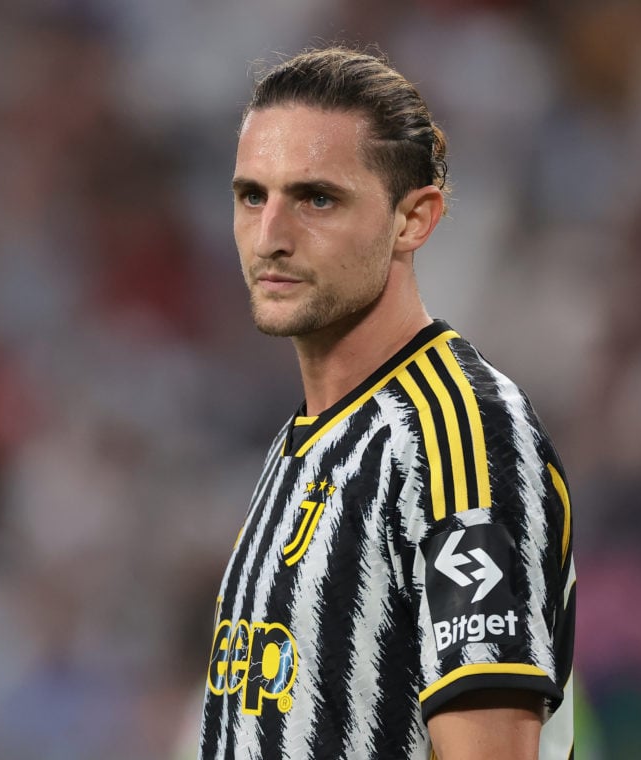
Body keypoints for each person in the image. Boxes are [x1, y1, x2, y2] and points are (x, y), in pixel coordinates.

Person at [197, 46, 575, 760]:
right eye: (253, 195)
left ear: (414, 221)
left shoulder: (457, 434)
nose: (271, 237)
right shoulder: (306, 441)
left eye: (317, 198)